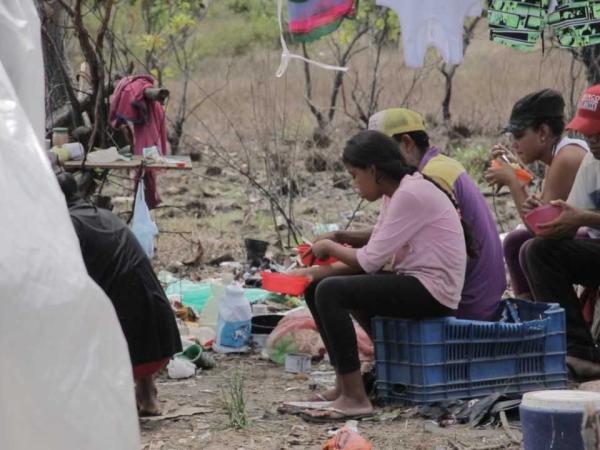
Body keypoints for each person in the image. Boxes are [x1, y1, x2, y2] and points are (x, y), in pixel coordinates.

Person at [293, 130, 470, 420]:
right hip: (415, 282)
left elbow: (370, 261)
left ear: (373, 171)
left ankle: (355, 398)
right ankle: (343, 385)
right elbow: (379, 246)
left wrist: (329, 247)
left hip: (433, 290)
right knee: (318, 286)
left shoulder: (410, 193)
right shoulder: (398, 192)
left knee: (330, 291)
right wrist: (318, 268)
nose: (354, 185)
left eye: (354, 176)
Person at [55, 168, 182, 415]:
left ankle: (97, 403)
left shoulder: (68, 226)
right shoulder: (104, 216)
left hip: (129, 350)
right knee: (122, 293)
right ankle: (146, 393)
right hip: (160, 336)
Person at [363, 108, 505, 321]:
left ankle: (389, 348)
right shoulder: (438, 165)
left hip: (467, 299)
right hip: (479, 290)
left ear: (407, 143)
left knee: (357, 285)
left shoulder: (431, 176)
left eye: (380, 152)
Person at [525, 84, 600, 379]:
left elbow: (582, 215)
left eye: (598, 133)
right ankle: (580, 351)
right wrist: (548, 217)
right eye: (587, 133)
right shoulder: (592, 163)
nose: (591, 140)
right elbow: (571, 222)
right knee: (538, 251)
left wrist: (583, 217)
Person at [485, 89, 588, 298]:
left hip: (592, 236)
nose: (514, 143)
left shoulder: (566, 159)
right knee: (515, 241)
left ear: (542, 132)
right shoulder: (558, 155)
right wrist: (515, 171)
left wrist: (513, 182)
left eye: (519, 135)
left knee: (529, 247)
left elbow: (540, 229)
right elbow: (538, 209)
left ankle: (548, 315)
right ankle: (531, 309)